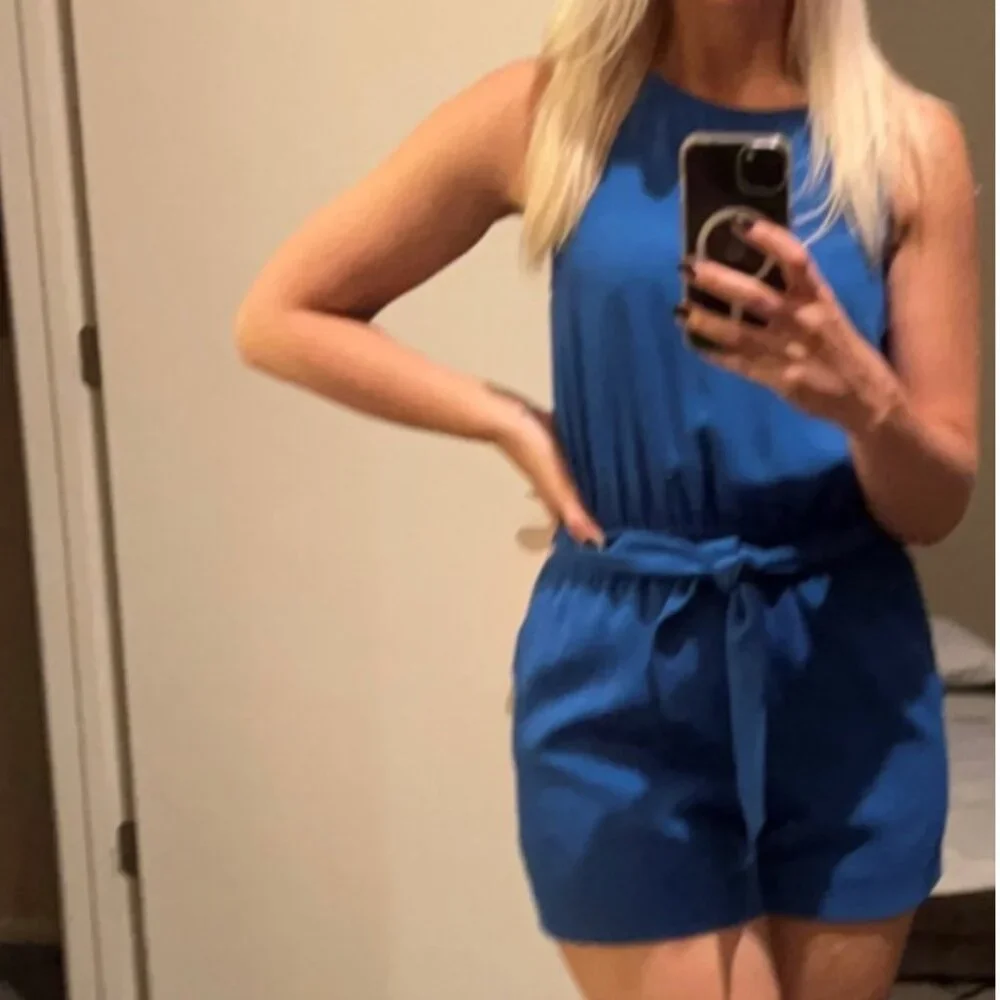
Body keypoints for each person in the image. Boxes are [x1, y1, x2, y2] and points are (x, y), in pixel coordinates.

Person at [235, 0, 981, 996]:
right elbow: (281, 314)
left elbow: (934, 505)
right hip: (624, 665)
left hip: (844, 661)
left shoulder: (909, 145)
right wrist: (506, 419)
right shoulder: (546, 114)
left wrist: (865, 400)